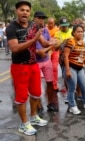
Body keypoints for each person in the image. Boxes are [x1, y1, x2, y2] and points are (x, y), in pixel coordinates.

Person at [6, 1, 57, 135]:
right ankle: (24, 124)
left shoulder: (33, 25)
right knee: (21, 97)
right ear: (16, 11)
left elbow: (44, 42)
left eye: (27, 11)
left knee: (36, 93)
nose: (25, 13)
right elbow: (15, 48)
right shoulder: (11, 28)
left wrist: (52, 42)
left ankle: (34, 117)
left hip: (33, 65)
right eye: (22, 10)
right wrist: (33, 40)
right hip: (19, 67)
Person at [63, 24, 85, 115]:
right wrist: (67, 70)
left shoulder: (82, 42)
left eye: (82, 31)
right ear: (73, 33)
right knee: (72, 88)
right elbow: (65, 56)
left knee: (84, 86)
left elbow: (84, 55)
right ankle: (72, 106)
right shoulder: (70, 42)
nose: (80, 33)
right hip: (71, 67)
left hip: (80, 68)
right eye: (78, 31)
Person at [33, 11, 58, 112]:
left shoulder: (45, 31)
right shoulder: (30, 30)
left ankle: (50, 103)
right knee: (36, 84)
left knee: (50, 82)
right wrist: (38, 51)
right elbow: (28, 46)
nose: (41, 20)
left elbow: (50, 44)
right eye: (39, 18)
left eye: (42, 18)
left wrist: (44, 51)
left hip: (46, 60)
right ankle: (38, 104)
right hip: (35, 61)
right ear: (34, 18)